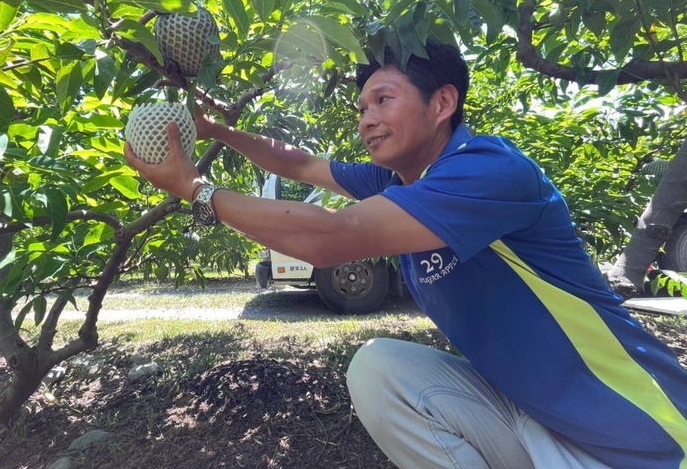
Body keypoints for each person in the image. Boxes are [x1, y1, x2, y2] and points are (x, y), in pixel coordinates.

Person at [125, 40, 687, 469]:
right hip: (531, 416)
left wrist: (197, 193)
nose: (366, 118)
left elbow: (329, 237)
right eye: (361, 105)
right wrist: (212, 130)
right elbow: (298, 165)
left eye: (383, 100)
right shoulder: (397, 182)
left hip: (637, 433)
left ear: (442, 102)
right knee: (381, 368)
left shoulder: (488, 169)